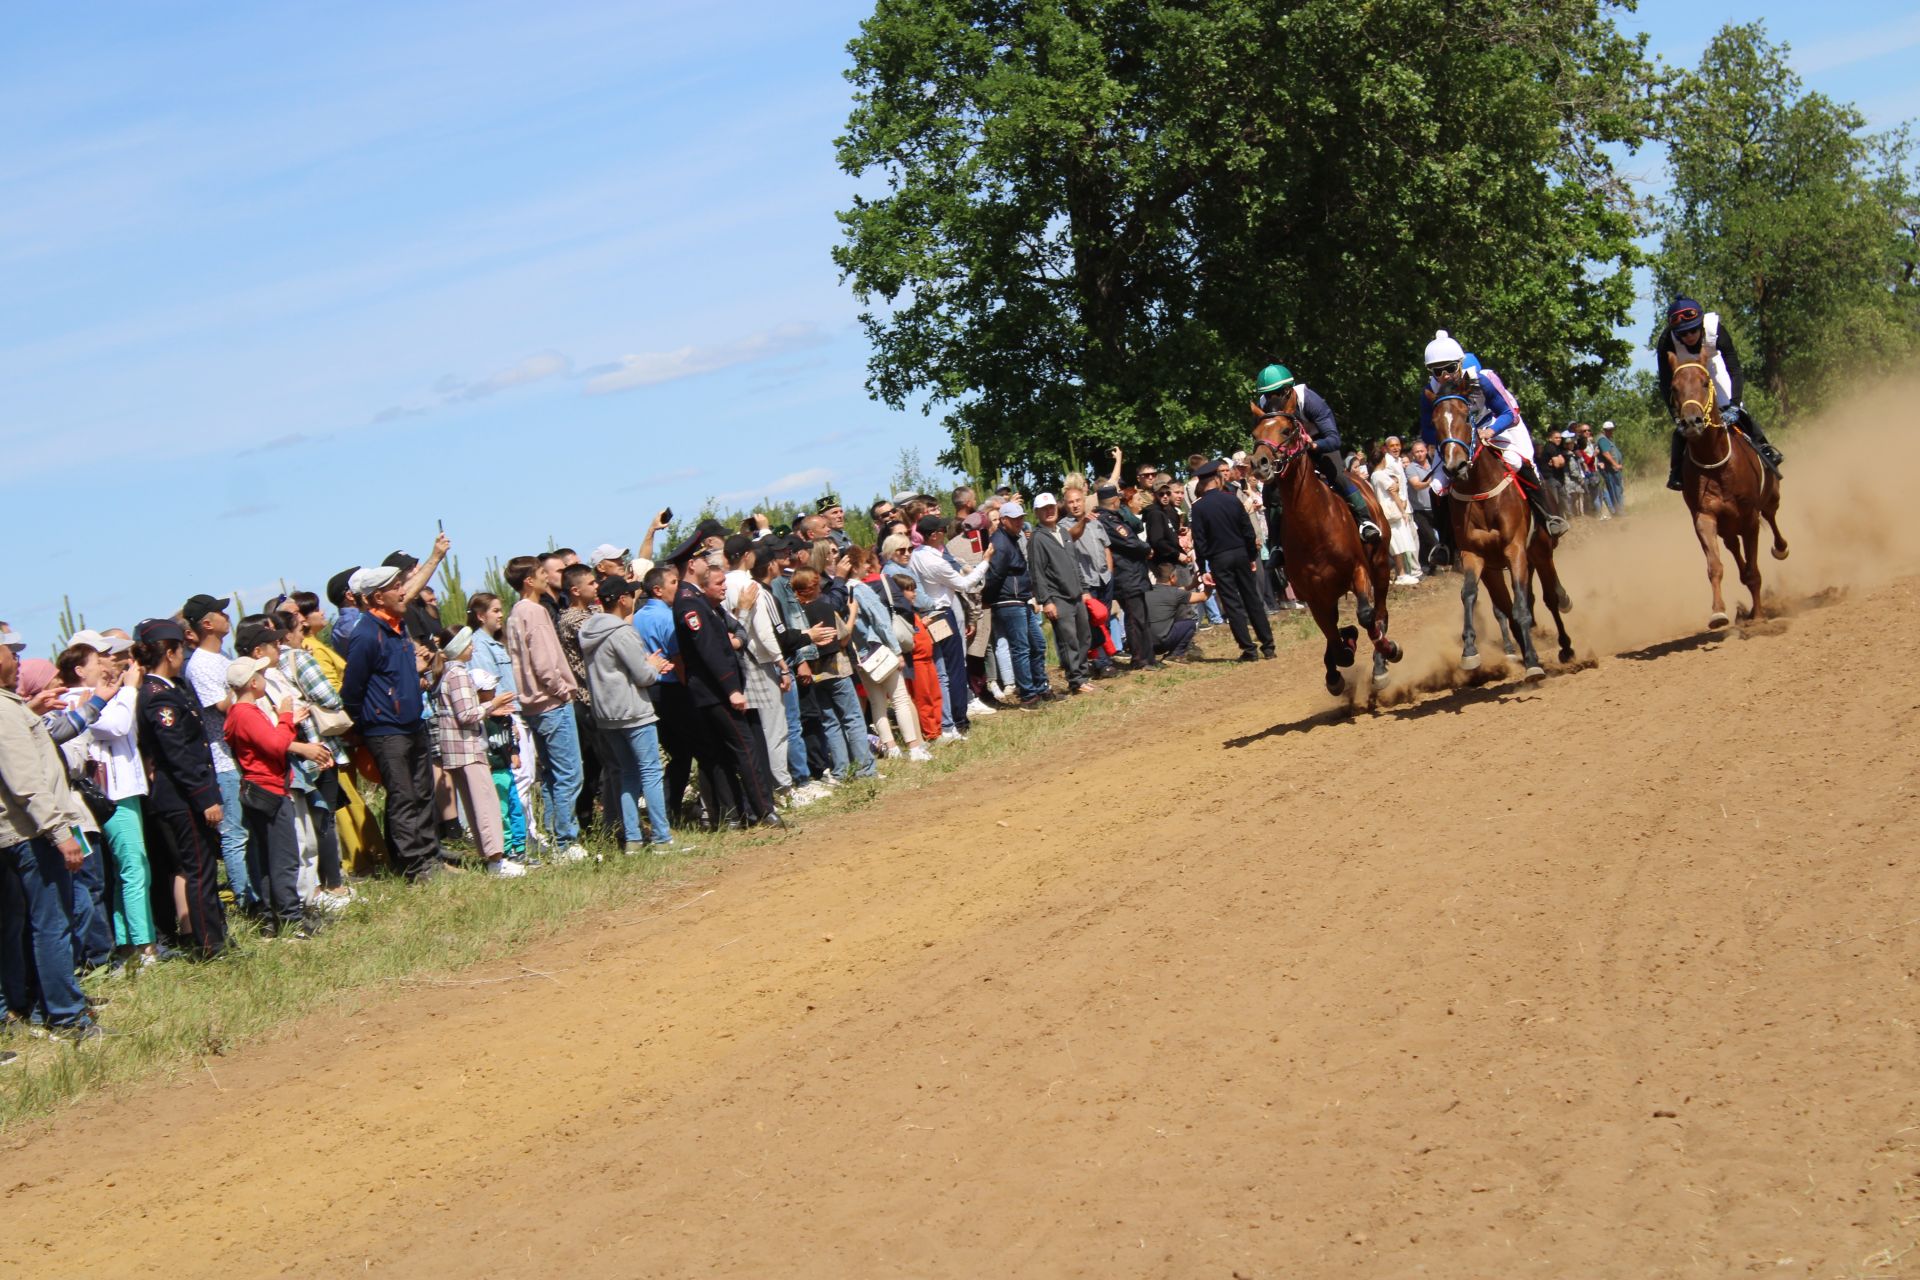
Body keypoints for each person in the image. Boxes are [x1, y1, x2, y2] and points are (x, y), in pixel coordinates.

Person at [0, 634, 99, 1038]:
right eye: (10, 652)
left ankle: (30, 1006)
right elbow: (26, 783)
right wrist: (60, 832)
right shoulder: (4, 713)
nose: (18, 659)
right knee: (52, 924)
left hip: (21, 833)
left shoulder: (11, 708)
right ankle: (66, 1014)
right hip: (31, 835)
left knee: (21, 926)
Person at [339, 566, 446, 883]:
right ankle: (413, 866)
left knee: (423, 793)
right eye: (396, 587)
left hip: (414, 723)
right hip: (386, 730)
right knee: (403, 797)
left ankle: (430, 856)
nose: (403, 591)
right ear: (376, 597)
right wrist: (367, 722)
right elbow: (352, 689)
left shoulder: (397, 627)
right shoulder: (366, 634)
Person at [130, 618, 228, 956]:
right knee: (198, 870)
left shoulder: (173, 688)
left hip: (187, 792)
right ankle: (208, 944)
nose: (182, 655)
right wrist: (205, 798)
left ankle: (215, 936)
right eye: (180, 650)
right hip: (181, 796)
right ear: (169, 652)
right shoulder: (158, 697)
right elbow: (179, 755)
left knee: (204, 869)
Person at [1415, 331, 1569, 539]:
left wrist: (1490, 431)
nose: (1444, 376)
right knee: (1437, 485)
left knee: (1517, 461)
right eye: (1437, 371)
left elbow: (1509, 413)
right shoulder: (1429, 393)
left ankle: (1547, 516)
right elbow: (1427, 431)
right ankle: (1445, 543)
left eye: (1450, 368)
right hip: (1458, 439)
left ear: (1460, 364)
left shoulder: (1482, 379)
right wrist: (1450, 439)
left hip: (1496, 426)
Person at [224, 655, 330, 936]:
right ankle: (291, 919)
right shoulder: (245, 713)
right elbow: (275, 745)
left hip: (258, 789)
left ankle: (276, 918)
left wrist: (285, 722)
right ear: (253, 682)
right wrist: (285, 716)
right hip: (269, 789)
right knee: (285, 857)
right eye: (259, 674)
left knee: (271, 858)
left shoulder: (240, 713)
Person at [676, 553, 783, 824]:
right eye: (700, 559)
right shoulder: (690, 604)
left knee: (723, 754)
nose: (704, 562)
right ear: (691, 565)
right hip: (715, 691)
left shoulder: (698, 601)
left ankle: (733, 815)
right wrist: (731, 688)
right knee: (745, 747)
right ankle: (763, 809)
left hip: (713, 690)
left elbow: (733, 639)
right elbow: (712, 650)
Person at [579, 577, 682, 851]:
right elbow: (643, 675)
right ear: (623, 599)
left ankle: (633, 840)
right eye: (632, 596)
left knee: (627, 774)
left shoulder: (588, 631)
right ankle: (662, 838)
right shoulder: (622, 632)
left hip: (606, 714)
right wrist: (654, 665)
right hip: (633, 711)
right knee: (650, 772)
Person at [504, 553, 586, 861]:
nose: (545, 577)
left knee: (553, 775)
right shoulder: (534, 612)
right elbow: (543, 662)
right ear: (529, 580)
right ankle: (566, 841)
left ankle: (554, 836)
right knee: (570, 773)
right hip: (551, 702)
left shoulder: (514, 614)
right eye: (541, 572)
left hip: (534, 706)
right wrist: (561, 689)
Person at [1655, 295, 1784, 490]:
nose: (1688, 336)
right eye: (1682, 333)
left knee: (1739, 411)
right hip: (1687, 374)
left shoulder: (1715, 330)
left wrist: (1734, 403)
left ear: (1701, 325)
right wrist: (1675, 415)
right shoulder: (1666, 341)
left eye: (1692, 330)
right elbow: (1665, 383)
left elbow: (1735, 370)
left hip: (1714, 366)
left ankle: (1765, 449)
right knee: (1684, 423)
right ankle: (1676, 471)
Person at [1251, 363, 1384, 543]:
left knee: (1337, 476)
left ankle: (1365, 521)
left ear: (1288, 390)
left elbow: (1334, 438)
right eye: (1268, 395)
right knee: (1270, 492)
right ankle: (1276, 543)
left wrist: (1313, 445)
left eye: (1277, 394)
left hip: (1318, 443)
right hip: (1289, 450)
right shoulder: (1264, 407)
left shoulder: (1310, 400)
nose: (1272, 400)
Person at [180, 592, 254, 913]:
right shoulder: (200, 665)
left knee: (250, 830)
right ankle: (246, 900)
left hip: (243, 754)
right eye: (220, 613)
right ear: (207, 624)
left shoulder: (222, 657)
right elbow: (223, 706)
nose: (228, 617)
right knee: (235, 834)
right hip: (225, 760)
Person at [429, 628, 523, 876]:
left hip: (457, 750)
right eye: (468, 644)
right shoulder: (458, 674)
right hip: (468, 748)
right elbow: (467, 714)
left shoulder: (447, 673)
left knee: (476, 805)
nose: (472, 648)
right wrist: (493, 704)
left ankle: (492, 857)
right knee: (486, 804)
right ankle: (496, 860)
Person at [1188, 460, 1277, 661]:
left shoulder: (1199, 508)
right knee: (1252, 599)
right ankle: (1268, 646)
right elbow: (1247, 531)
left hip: (1219, 559)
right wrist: (1251, 557)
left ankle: (1249, 650)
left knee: (1232, 603)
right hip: (1240, 554)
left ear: (1202, 484)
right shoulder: (1232, 499)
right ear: (1217, 479)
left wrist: (1203, 569)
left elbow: (1200, 542)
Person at [909, 519, 989, 739]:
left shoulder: (917, 556)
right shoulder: (935, 561)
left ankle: (949, 720)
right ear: (934, 535)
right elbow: (964, 584)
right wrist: (986, 562)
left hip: (929, 615)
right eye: (942, 530)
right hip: (942, 613)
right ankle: (958, 718)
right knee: (954, 668)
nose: (945, 533)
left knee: (941, 669)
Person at [980, 500, 1053, 706]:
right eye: (1015, 519)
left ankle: (1040, 687)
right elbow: (993, 575)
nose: (1020, 521)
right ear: (1004, 520)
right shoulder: (1001, 543)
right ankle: (1029, 695)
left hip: (1021, 599)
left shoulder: (1011, 538)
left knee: (1038, 644)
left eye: (1021, 517)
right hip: (1008, 602)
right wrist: (988, 599)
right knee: (1021, 648)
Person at [1026, 494, 1096, 694]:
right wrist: (1046, 601)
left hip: (1076, 595)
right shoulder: (1037, 538)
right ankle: (1075, 680)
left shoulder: (1064, 532)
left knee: (1084, 637)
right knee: (1069, 640)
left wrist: (1084, 589)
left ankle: (1082, 676)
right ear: (1037, 512)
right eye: (1044, 508)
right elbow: (1037, 572)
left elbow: (1075, 563)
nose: (1049, 511)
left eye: (1051, 507)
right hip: (1058, 597)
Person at [1097, 484, 1156, 671]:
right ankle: (1140, 659)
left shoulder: (1110, 517)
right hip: (1127, 574)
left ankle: (1147, 657)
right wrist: (1147, 548)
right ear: (1115, 500)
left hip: (1130, 573)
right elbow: (1129, 541)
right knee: (1135, 618)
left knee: (1139, 616)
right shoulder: (1108, 520)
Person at [472, 667, 528, 864]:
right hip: (493, 771)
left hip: (506, 768)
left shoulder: (505, 715)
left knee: (515, 806)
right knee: (501, 810)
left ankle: (520, 846)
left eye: (494, 688)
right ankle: (505, 848)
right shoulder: (480, 721)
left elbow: (512, 735)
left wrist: (514, 752)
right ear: (477, 694)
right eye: (489, 689)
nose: (494, 692)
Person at [1368, 443, 1421, 585]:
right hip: (1392, 513)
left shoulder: (1374, 475)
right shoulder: (1380, 475)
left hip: (1387, 513)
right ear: (1383, 460)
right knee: (1398, 544)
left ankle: (1402, 573)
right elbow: (1393, 492)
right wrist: (1403, 510)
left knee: (1397, 544)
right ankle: (1402, 574)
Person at [1144, 563, 1209, 661]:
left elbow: (1177, 592)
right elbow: (1204, 596)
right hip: (1162, 644)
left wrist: (1193, 584)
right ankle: (1176, 653)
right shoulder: (1175, 593)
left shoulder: (1147, 591)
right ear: (1172, 577)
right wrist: (1210, 583)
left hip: (1146, 645)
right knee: (1190, 624)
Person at [1403, 440, 1442, 573]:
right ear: (1413, 454)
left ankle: (1428, 566)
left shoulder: (1434, 465)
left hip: (1436, 507)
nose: (1419, 454)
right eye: (1416, 452)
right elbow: (1416, 485)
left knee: (1428, 540)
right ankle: (1432, 565)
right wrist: (1433, 481)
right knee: (1431, 539)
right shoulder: (1411, 468)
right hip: (1419, 510)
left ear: (1426, 451)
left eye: (1421, 451)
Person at [1596, 421, 1626, 513]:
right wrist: (1615, 464)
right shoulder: (1603, 439)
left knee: (1618, 489)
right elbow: (1606, 453)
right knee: (1615, 490)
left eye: (1611, 430)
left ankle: (1619, 510)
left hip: (1613, 470)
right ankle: (1619, 511)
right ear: (1604, 430)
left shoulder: (1607, 439)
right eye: (1608, 430)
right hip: (1611, 470)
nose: (1610, 432)